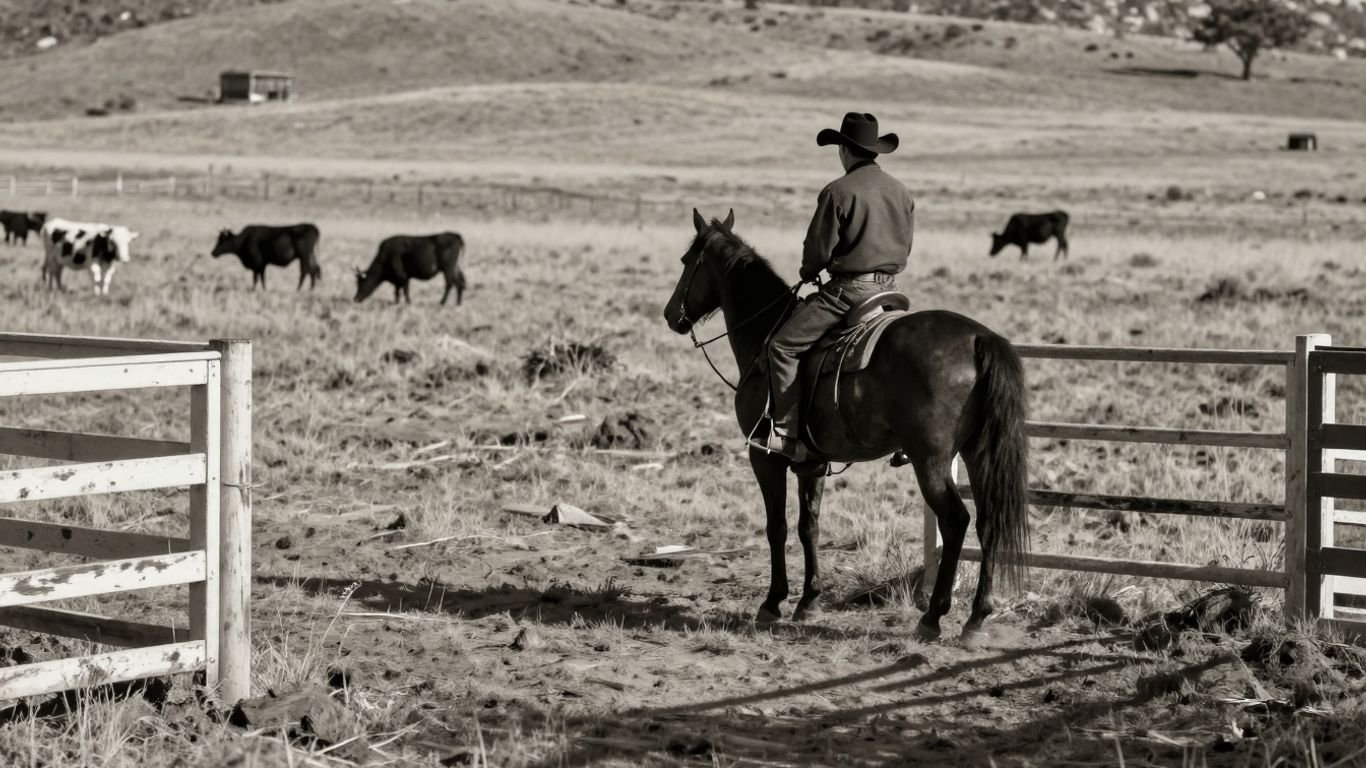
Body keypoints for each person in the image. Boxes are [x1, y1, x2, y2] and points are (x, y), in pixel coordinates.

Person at [757, 112, 916, 462]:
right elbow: (906, 245)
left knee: (782, 346)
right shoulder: (900, 191)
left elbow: (817, 252)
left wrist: (810, 270)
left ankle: (786, 435)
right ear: (874, 151)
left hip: (850, 292)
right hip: (890, 290)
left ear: (845, 149)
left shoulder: (838, 191)